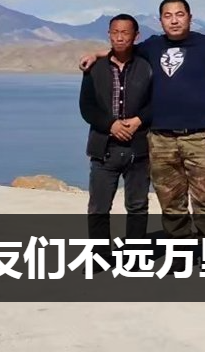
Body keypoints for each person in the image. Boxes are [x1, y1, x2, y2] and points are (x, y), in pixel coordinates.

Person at [81, 0, 205, 241]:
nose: (174, 20)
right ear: (160, 20)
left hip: (200, 136)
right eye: (168, 15)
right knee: (171, 202)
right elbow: (123, 48)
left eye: (179, 14)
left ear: (190, 17)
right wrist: (96, 55)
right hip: (160, 138)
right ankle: (181, 251)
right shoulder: (152, 46)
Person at [79, 14, 152, 246]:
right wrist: (111, 125)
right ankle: (100, 256)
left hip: (139, 149)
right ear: (109, 34)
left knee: (138, 206)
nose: (119, 38)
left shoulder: (147, 67)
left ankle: (134, 255)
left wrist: (139, 120)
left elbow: (157, 102)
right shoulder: (94, 68)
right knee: (99, 207)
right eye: (115, 32)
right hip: (104, 148)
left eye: (125, 33)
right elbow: (87, 107)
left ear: (136, 36)